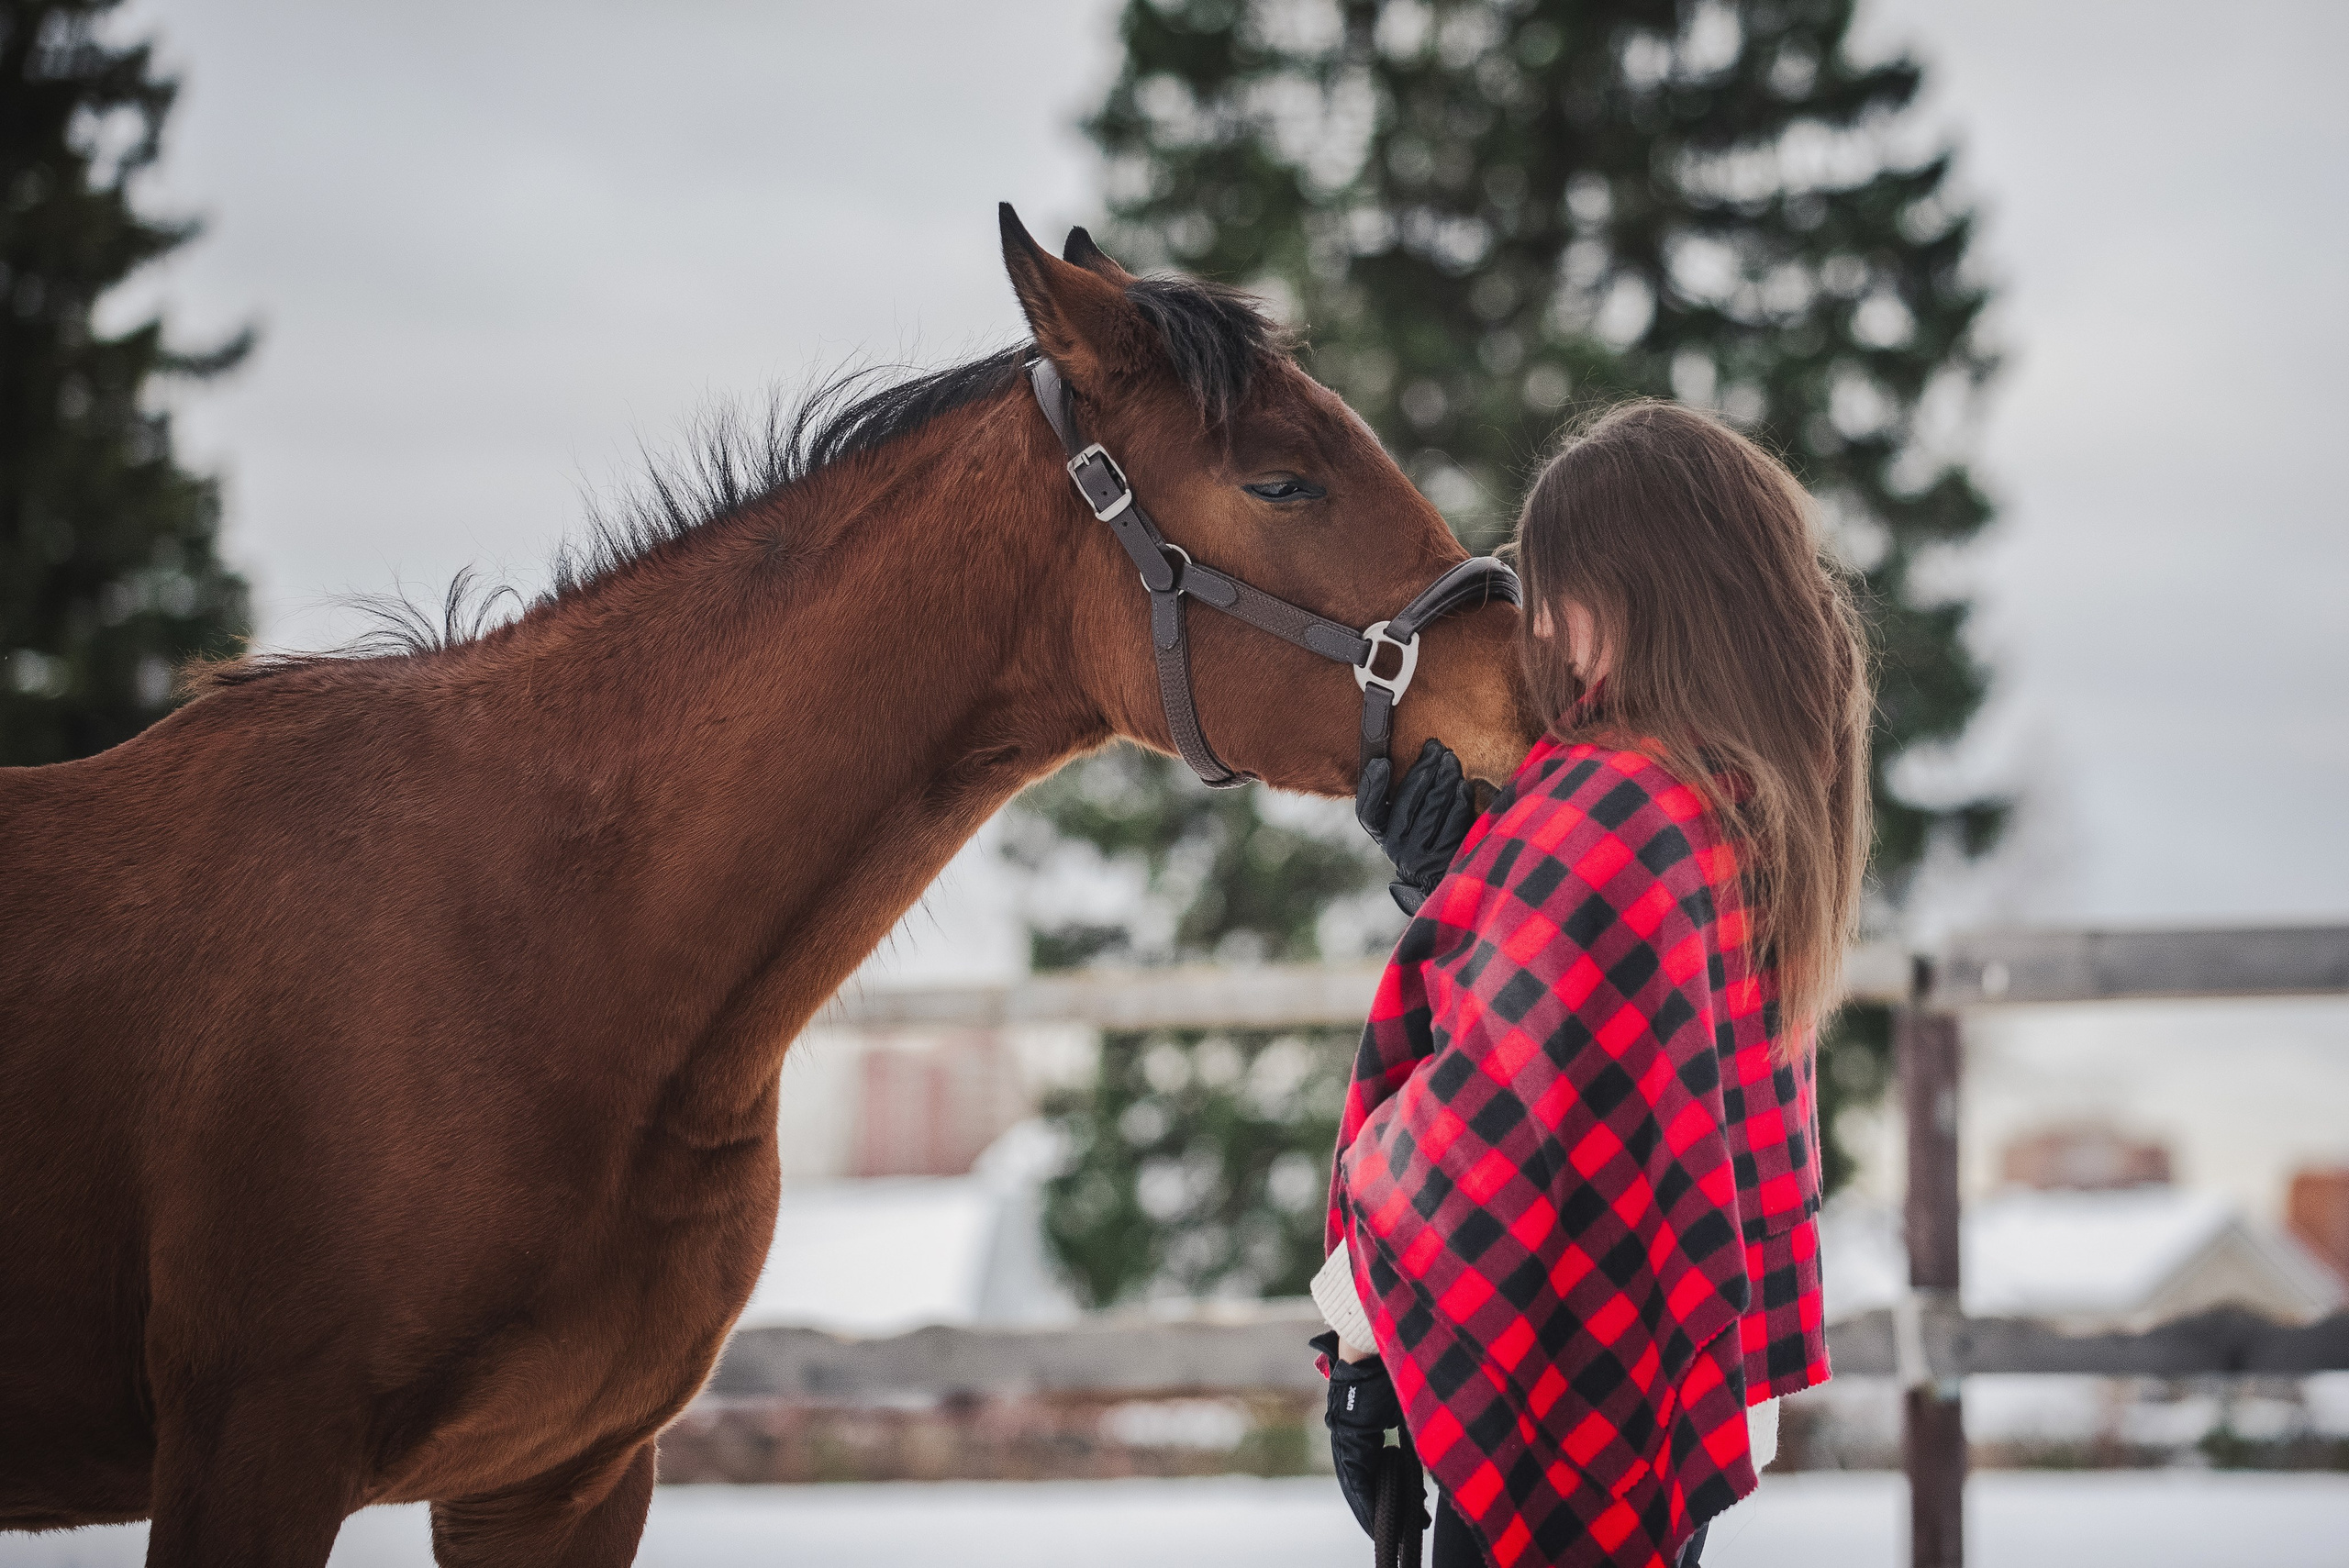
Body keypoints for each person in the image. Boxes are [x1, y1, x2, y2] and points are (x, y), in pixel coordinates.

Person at [1312, 399, 1870, 1567]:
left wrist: (1359, 1326)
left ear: (1640, 592)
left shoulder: (1612, 807)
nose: (1543, 633)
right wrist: (1459, 885)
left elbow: (1480, 1126)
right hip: (1659, 1395)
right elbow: (1592, 1072)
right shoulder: (1742, 798)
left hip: (1540, 1393)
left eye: (1557, 589)